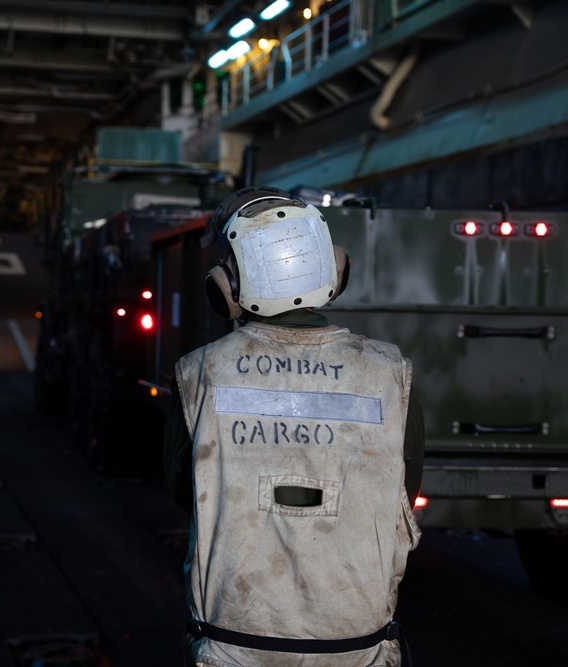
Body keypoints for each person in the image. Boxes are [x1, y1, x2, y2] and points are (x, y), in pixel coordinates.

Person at [165, 186, 425, 667]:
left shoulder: (199, 372)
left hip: (233, 642)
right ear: (334, 268)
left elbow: (187, 491)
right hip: (356, 646)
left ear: (226, 285)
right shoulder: (388, 371)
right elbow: (403, 494)